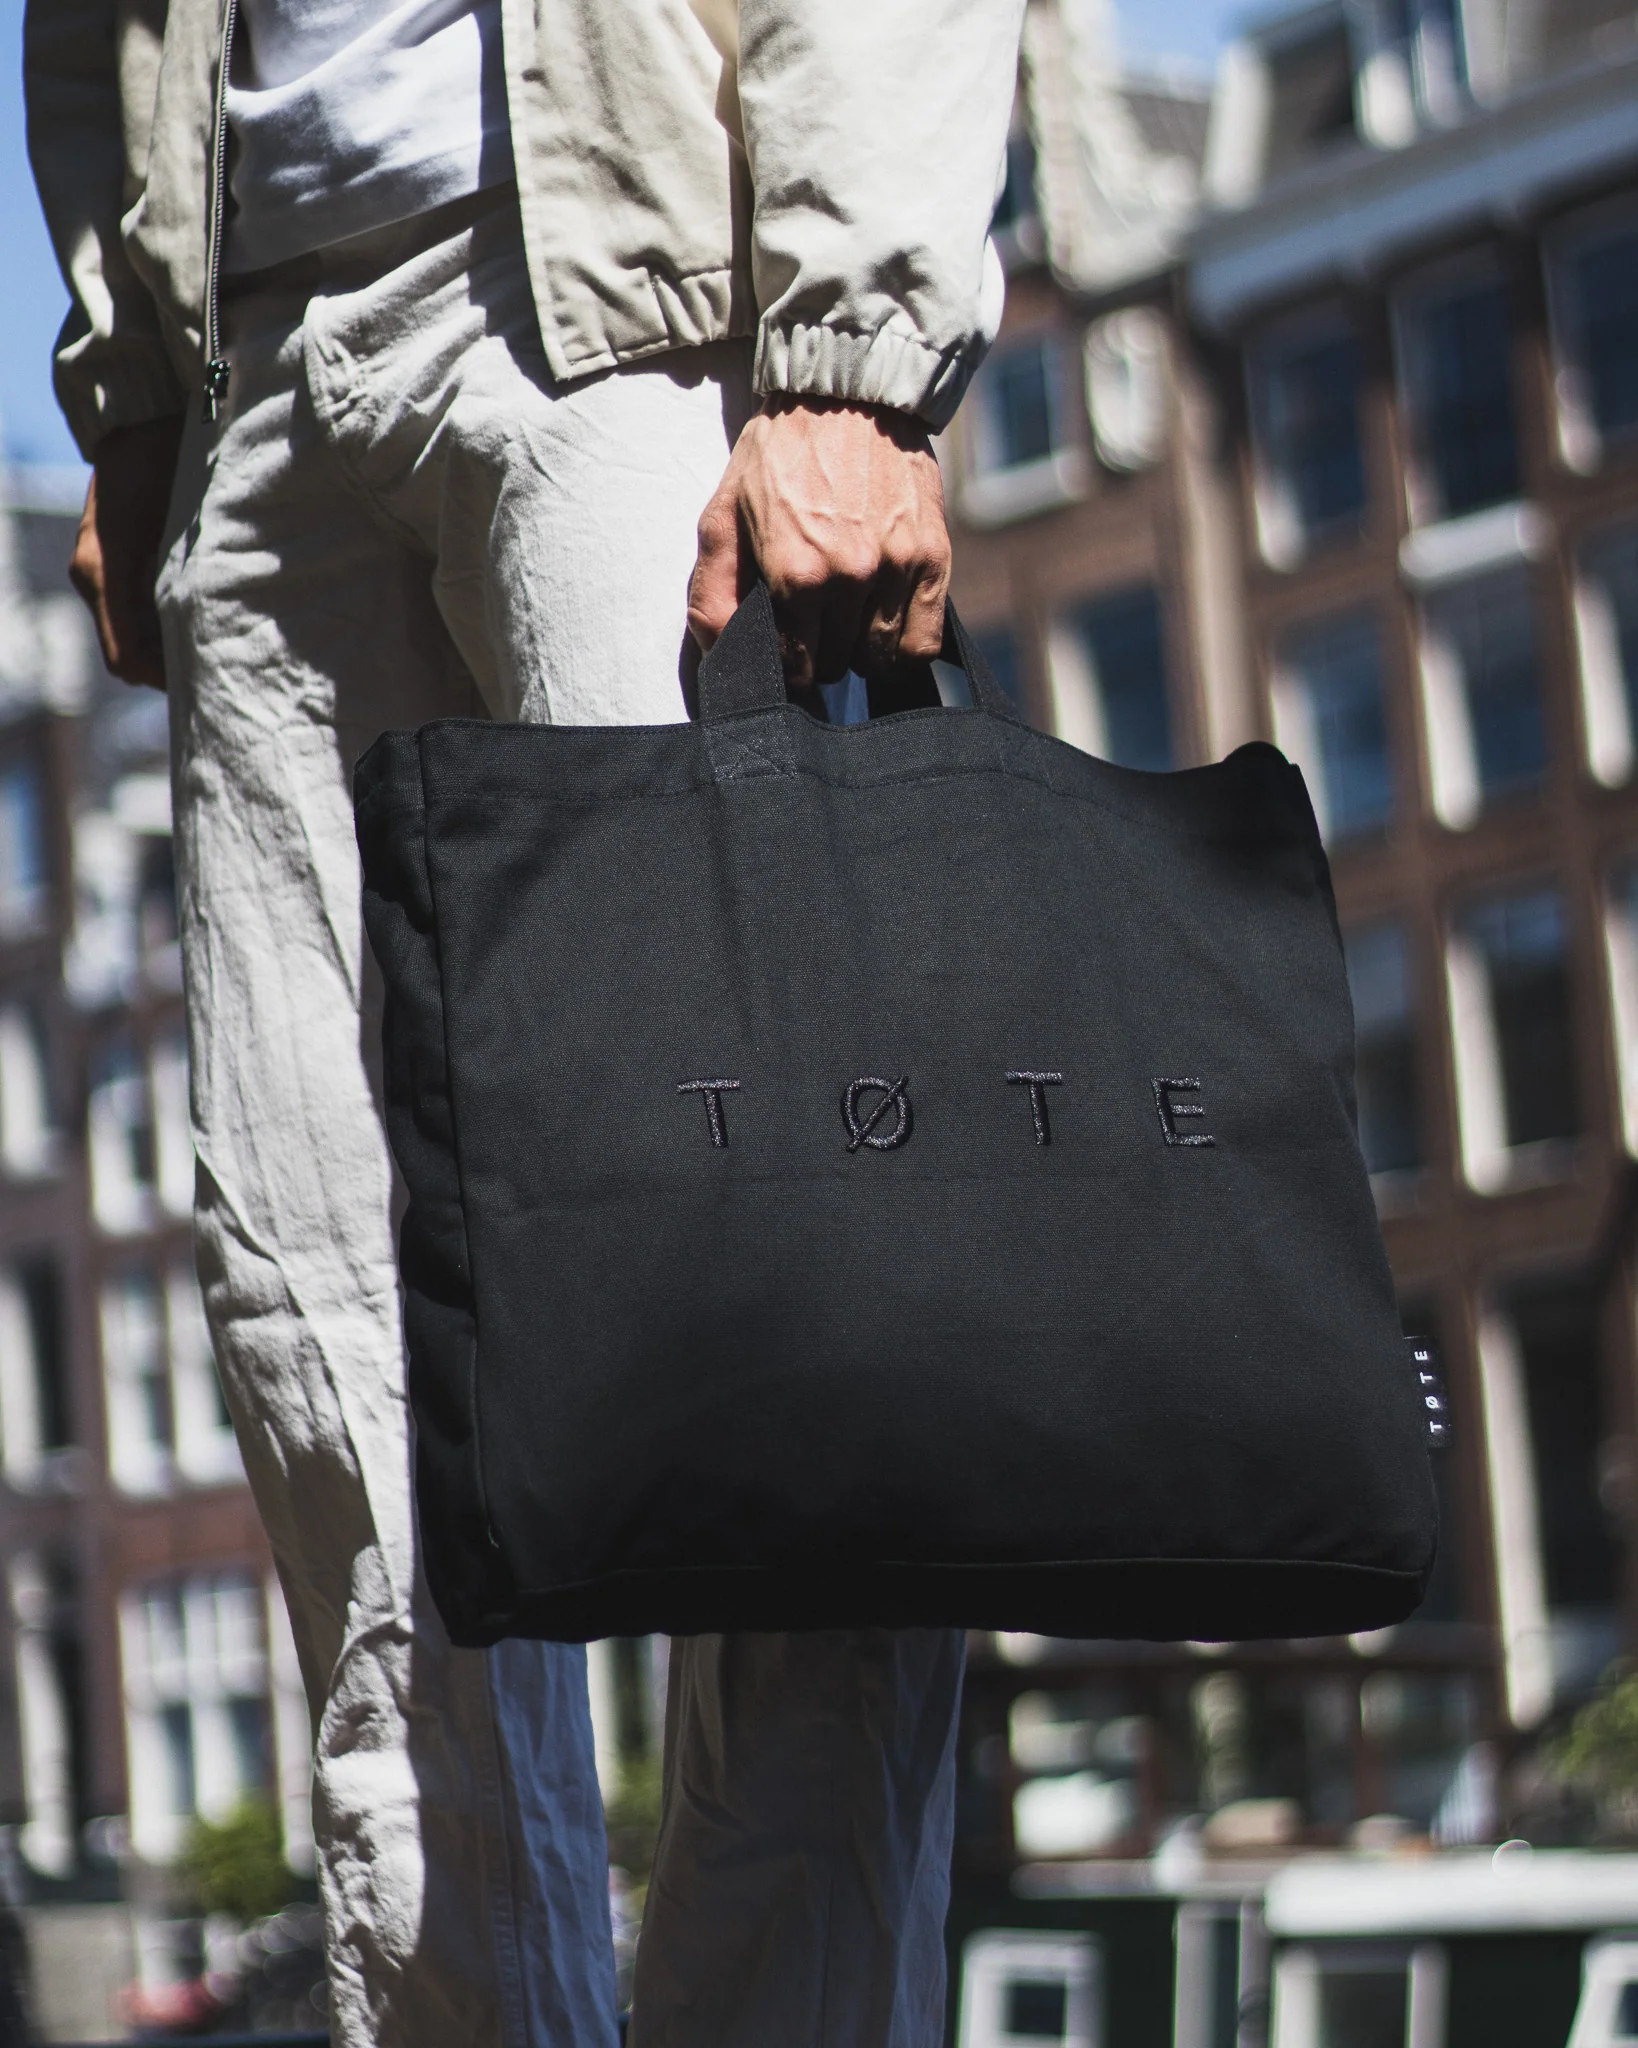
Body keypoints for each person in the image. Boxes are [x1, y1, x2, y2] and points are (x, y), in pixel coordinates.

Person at [25, 0, 1024, 2039]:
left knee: (790, 1294)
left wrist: (851, 352)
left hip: (614, 292)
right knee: (333, 1356)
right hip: (247, 368)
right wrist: (128, 357)